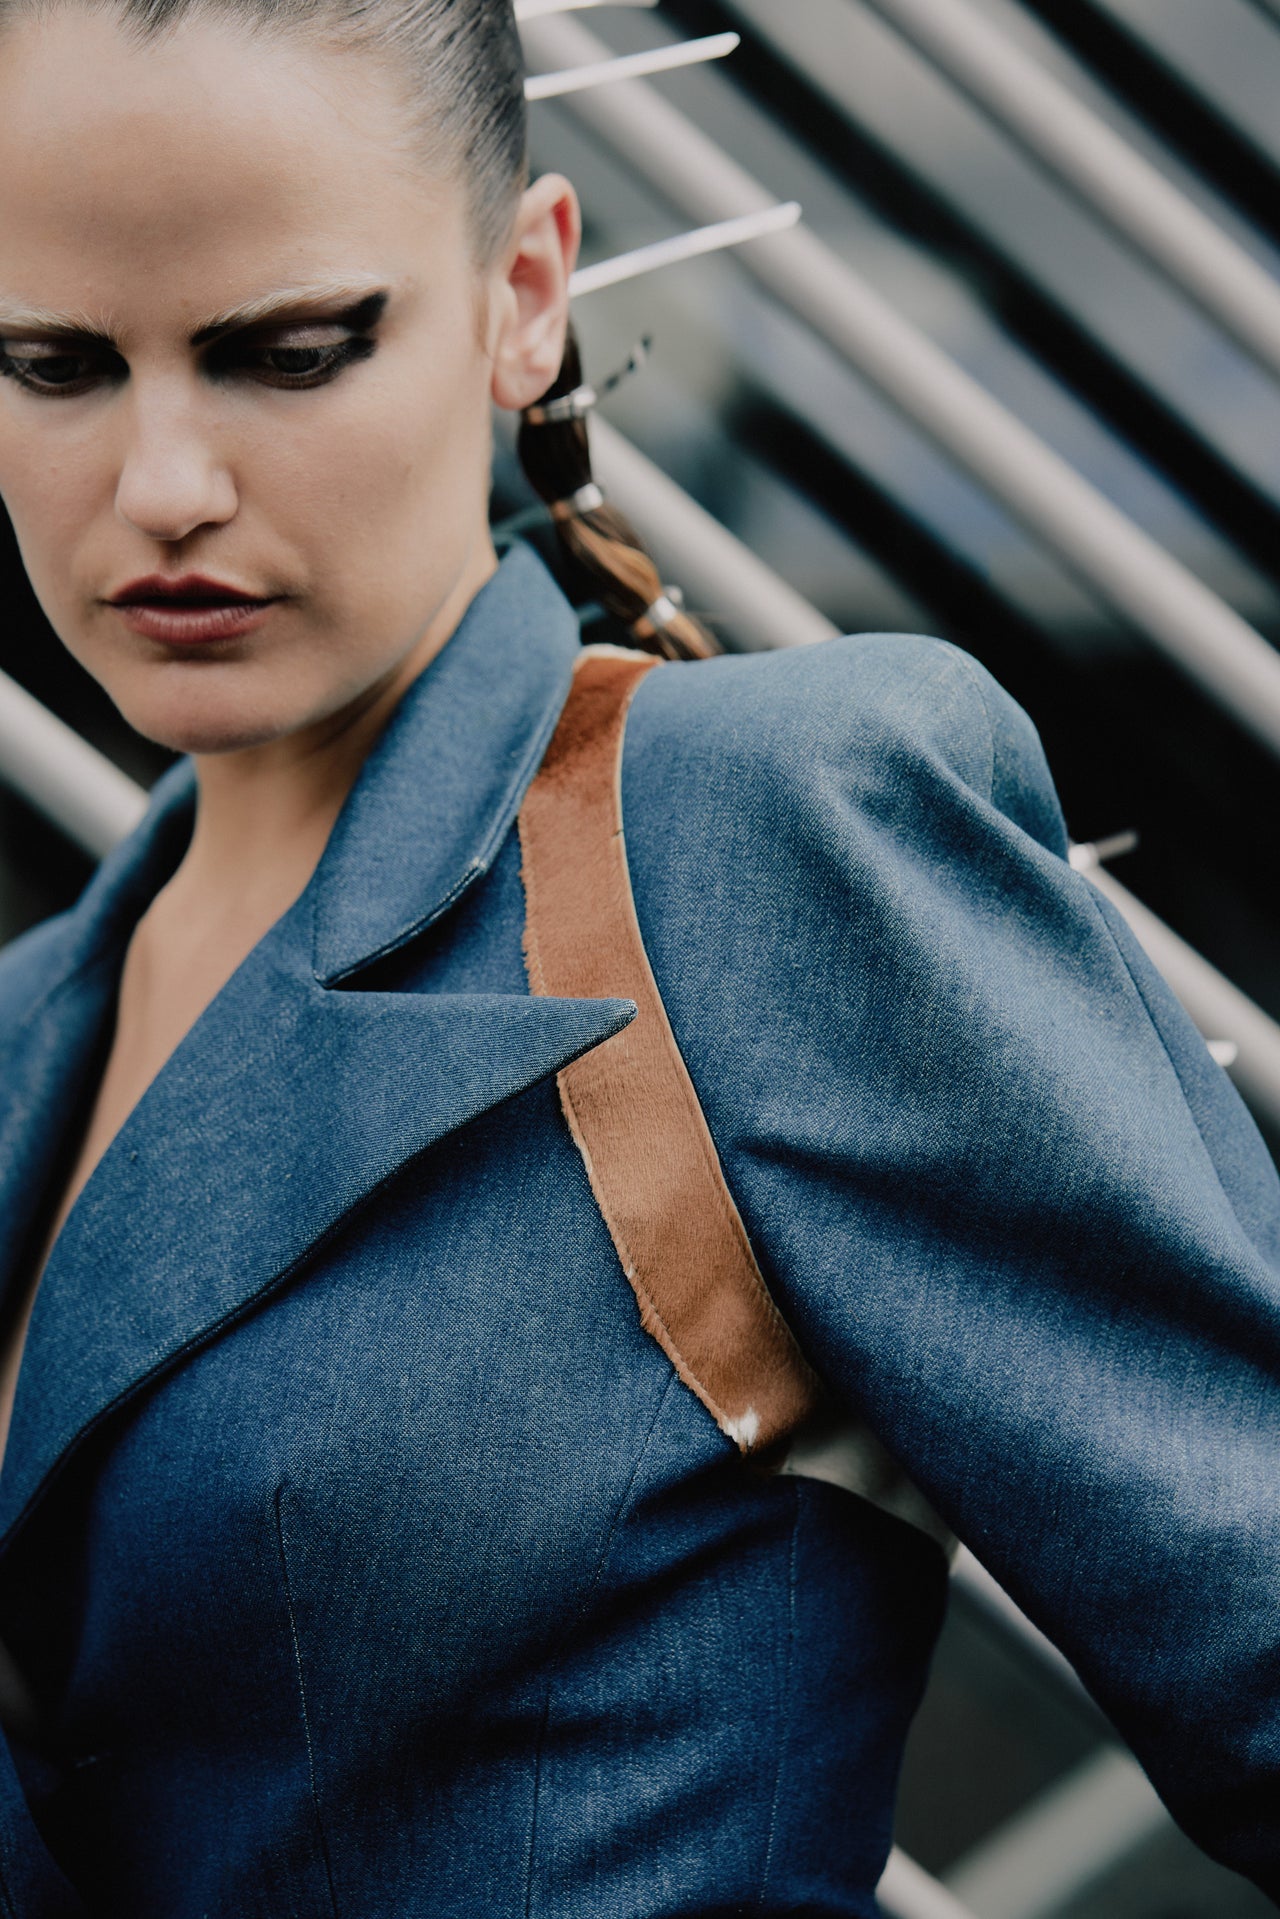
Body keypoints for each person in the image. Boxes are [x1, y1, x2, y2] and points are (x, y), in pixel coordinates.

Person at [0, 2, 1275, 1914]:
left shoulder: (742, 840)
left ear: (524, 296)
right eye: (54, 363)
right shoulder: (30, 1038)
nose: (163, 481)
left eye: (287, 351)